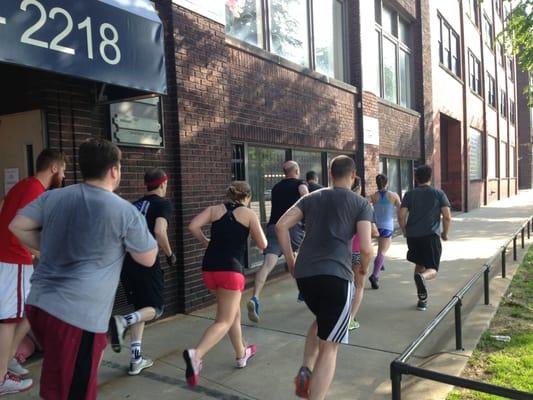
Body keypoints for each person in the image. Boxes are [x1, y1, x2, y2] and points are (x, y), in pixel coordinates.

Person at [9, 138, 158, 399]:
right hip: (77, 316)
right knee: (75, 390)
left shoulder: (53, 197)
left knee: (58, 380)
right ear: (114, 170)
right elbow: (147, 258)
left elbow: (17, 225)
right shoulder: (123, 211)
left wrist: (50, 247)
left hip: (40, 307)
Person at [276, 155, 373, 400]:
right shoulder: (361, 204)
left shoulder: (311, 197)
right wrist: (363, 268)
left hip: (306, 276)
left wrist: (290, 261)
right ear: (353, 176)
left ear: (330, 174)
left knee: (322, 321)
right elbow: (366, 249)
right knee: (330, 347)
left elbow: (280, 226)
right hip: (336, 276)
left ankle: (306, 368)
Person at [185, 181, 267, 387]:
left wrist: (207, 242)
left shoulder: (214, 210)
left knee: (233, 314)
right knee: (223, 320)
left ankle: (241, 354)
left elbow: (193, 226)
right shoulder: (248, 214)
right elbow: (263, 244)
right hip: (231, 270)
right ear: (247, 197)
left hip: (210, 269)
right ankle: (196, 355)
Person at [0, 149, 66, 396]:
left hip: (13, 260)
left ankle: (6, 360)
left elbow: (3, 208)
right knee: (8, 319)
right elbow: (18, 227)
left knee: (29, 309)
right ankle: (1, 377)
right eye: (64, 170)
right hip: (14, 260)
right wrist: (40, 254)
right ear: (54, 168)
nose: (64, 175)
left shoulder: (23, 186)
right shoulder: (34, 190)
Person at [109, 168, 177, 376]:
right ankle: (123, 321)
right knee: (155, 309)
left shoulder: (133, 205)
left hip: (127, 263)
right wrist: (169, 254)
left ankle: (136, 359)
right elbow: (159, 231)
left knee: (141, 308)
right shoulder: (162, 204)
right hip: (147, 262)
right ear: (163, 184)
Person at [247, 161, 308, 322]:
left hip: (273, 227)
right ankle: (303, 289)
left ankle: (255, 298)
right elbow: (305, 195)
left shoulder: (276, 187)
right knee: (297, 256)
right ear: (296, 171)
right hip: (291, 228)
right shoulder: (300, 183)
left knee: (267, 264)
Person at [398, 165, 451, 311]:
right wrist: (445, 233)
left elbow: (401, 215)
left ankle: (422, 300)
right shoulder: (438, 193)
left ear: (416, 178)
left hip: (413, 237)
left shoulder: (409, 194)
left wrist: (404, 230)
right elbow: (447, 216)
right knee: (432, 269)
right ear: (430, 177)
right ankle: (423, 278)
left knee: (419, 265)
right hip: (430, 236)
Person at [348, 177, 378, 331]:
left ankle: (341, 314)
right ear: (359, 187)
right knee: (359, 286)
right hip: (359, 251)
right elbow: (373, 231)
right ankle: (350, 319)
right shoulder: (364, 205)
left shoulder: (340, 203)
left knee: (347, 284)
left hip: (343, 252)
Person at [368, 174, 401, 290]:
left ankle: (380, 264)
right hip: (388, 226)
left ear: (376, 183)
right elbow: (401, 209)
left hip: (377, 226)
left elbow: (364, 207)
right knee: (383, 251)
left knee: (382, 247)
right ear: (387, 183)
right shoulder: (393, 195)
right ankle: (374, 275)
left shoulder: (373, 196)